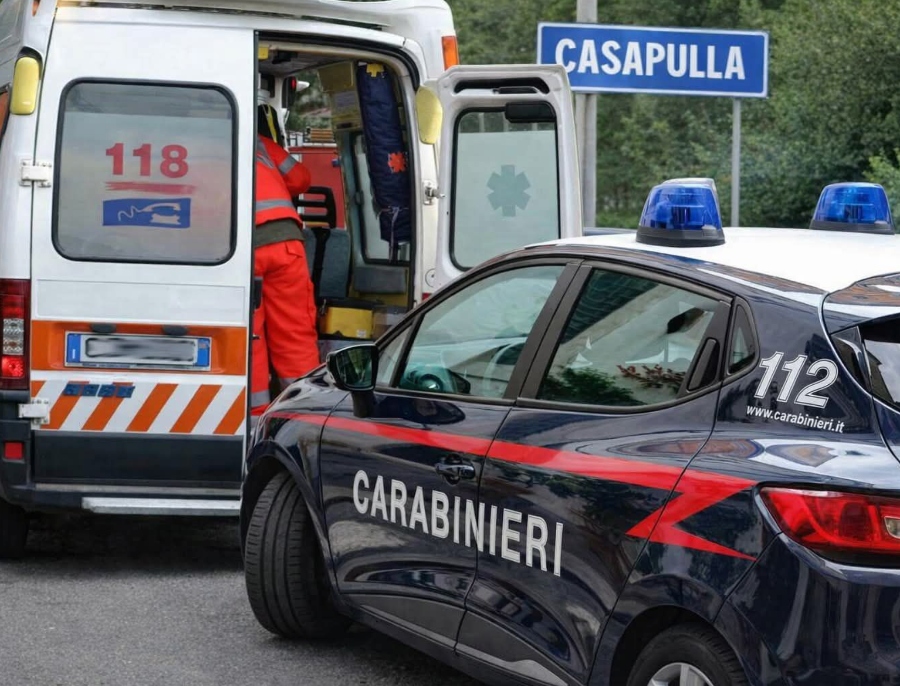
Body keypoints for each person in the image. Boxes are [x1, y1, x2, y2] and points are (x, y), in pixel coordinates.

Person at [251, 98, 319, 422]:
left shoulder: (194, 145)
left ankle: (255, 411)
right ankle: (302, 409)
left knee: (249, 333)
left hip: (239, 250)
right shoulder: (260, 143)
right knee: (294, 329)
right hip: (285, 243)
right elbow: (301, 178)